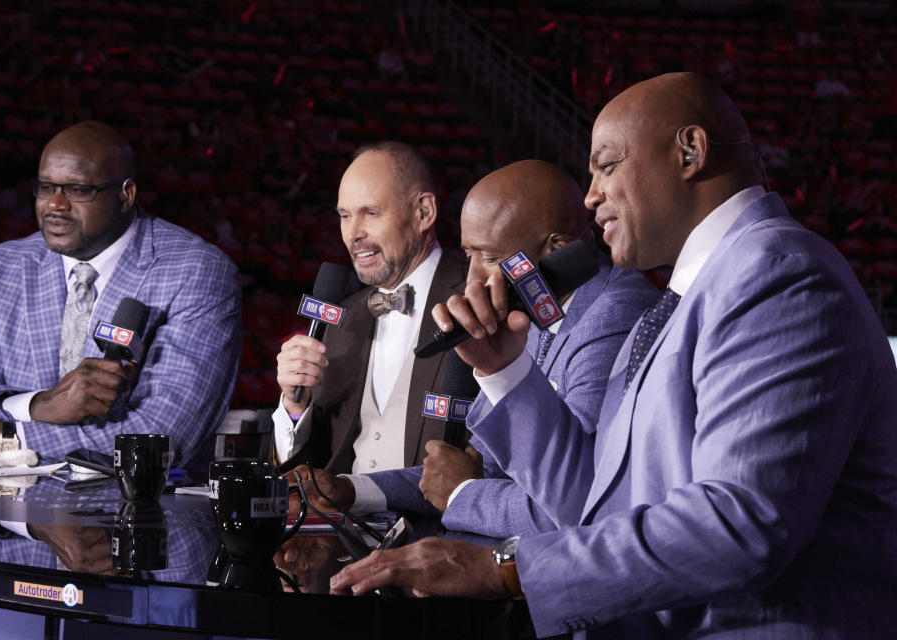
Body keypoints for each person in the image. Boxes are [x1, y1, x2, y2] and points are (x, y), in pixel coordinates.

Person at [330, 73, 897, 638]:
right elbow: (594, 505)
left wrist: (506, 568)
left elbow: (738, 528)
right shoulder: (691, 292)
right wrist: (506, 370)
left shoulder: (777, 274)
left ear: (690, 152)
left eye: (607, 165)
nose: (590, 196)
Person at [288, 159, 657, 539]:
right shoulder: (529, 303)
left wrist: (464, 494)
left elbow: (581, 502)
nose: (473, 280)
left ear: (557, 252)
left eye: (491, 258)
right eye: (469, 256)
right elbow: (471, 468)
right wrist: (351, 490)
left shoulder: (614, 314)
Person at [0, 121, 241, 471]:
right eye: (46, 187)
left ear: (126, 194)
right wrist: (39, 406)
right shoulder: (1, 268)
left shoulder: (196, 270)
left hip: (134, 512)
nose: (55, 204)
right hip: (6, 515)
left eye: (77, 190)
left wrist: (11, 438)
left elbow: (165, 437)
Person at [273, 141, 465, 474]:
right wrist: (294, 407)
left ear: (424, 212)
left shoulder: (476, 299)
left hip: (438, 523)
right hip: (344, 524)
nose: (353, 234)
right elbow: (311, 465)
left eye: (371, 213)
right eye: (345, 216)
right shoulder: (340, 321)